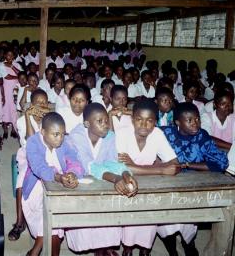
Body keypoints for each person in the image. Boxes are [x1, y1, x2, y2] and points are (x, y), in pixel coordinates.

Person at [65, 103, 138, 255]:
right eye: (100, 121)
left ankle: (104, 247)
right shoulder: (76, 135)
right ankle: (99, 248)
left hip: (102, 179)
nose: (105, 125)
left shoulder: (110, 136)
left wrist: (126, 174)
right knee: (88, 213)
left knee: (111, 203)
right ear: (87, 123)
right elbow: (87, 166)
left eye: (106, 120)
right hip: (79, 181)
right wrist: (115, 178)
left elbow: (112, 161)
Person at [157, 102, 228, 256]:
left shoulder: (201, 136)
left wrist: (189, 165)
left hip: (191, 186)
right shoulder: (165, 133)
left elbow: (221, 162)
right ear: (177, 122)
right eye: (189, 120)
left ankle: (188, 243)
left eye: (197, 119)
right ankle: (171, 250)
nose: (195, 123)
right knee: (165, 223)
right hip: (167, 184)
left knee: (188, 222)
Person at [116, 99, 181, 256]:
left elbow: (176, 165)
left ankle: (145, 250)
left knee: (149, 217)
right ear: (132, 119)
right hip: (128, 184)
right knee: (130, 223)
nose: (144, 125)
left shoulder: (157, 134)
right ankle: (128, 249)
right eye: (139, 119)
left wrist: (137, 167)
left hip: (151, 185)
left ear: (155, 122)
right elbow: (123, 168)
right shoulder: (122, 133)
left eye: (150, 120)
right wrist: (160, 169)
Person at [22, 112, 84, 256]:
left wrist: (72, 174)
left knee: (54, 214)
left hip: (58, 188)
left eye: (62, 134)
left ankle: (36, 251)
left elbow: (75, 160)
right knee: (53, 212)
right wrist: (58, 177)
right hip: (35, 187)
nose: (60, 138)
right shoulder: (33, 142)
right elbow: (39, 167)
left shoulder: (65, 142)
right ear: (43, 132)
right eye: (55, 134)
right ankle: (37, 250)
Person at [8, 89, 50, 241]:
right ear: (31, 104)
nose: (41, 105)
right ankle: (19, 222)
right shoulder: (21, 121)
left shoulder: (50, 119)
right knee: (21, 182)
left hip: (48, 155)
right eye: (38, 103)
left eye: (44, 102)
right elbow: (31, 141)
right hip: (28, 155)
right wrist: (27, 115)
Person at [0, 49, 21, 139]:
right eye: (8, 55)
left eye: (12, 55)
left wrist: (12, 66)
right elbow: (6, 77)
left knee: (14, 110)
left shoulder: (16, 64)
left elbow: (21, 74)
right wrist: (17, 76)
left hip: (15, 90)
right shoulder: (1, 65)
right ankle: (5, 131)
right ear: (5, 56)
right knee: (5, 110)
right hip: (6, 90)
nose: (10, 57)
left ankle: (13, 130)